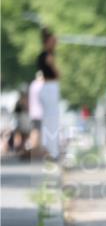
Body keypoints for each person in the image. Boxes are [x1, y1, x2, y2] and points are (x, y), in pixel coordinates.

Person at [36, 27, 61, 160]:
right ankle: (52, 151)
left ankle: (50, 149)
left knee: (49, 119)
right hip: (50, 87)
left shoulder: (44, 55)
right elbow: (57, 74)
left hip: (47, 87)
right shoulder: (47, 56)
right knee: (52, 119)